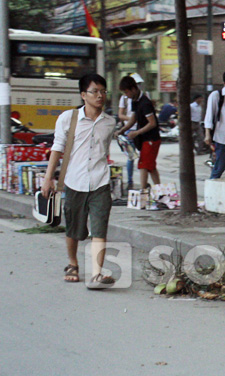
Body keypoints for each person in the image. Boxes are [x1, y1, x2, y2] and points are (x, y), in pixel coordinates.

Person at [41, 73, 116, 288]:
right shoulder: (68, 118)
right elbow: (57, 148)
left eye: (103, 91)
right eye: (95, 91)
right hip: (75, 180)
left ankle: (97, 273)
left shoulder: (109, 122)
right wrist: (49, 178)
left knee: (100, 229)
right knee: (74, 228)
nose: (100, 96)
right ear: (83, 95)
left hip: (100, 181)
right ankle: (72, 263)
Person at [116, 76, 161, 190]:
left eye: (126, 92)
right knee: (151, 167)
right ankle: (160, 190)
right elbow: (134, 118)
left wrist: (136, 133)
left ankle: (143, 191)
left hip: (151, 139)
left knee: (143, 165)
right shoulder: (135, 101)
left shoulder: (145, 103)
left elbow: (152, 123)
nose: (126, 95)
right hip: (145, 139)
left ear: (134, 89)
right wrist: (123, 130)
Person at [118, 73, 147, 190]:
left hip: (140, 129)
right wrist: (130, 121)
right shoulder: (124, 98)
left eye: (139, 84)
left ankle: (143, 185)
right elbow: (121, 114)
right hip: (130, 129)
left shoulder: (143, 97)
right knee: (131, 157)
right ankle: (130, 181)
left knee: (144, 159)